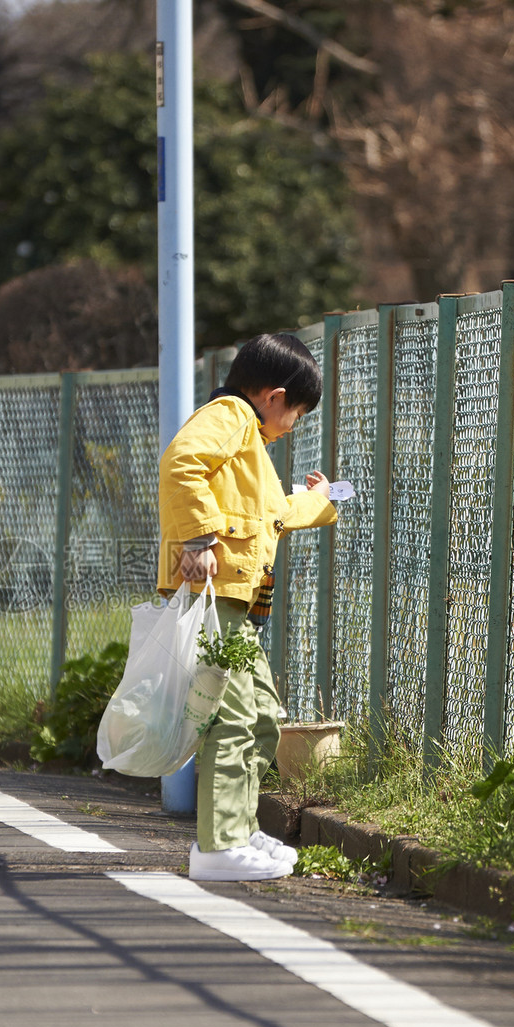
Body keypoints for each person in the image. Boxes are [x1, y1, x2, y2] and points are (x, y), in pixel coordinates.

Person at [157, 332, 337, 881]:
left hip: (236, 603)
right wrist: (199, 542)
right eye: (299, 413)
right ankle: (218, 848)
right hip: (216, 599)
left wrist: (323, 502)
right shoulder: (231, 415)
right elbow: (179, 463)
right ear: (276, 397)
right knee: (232, 716)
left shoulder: (248, 443)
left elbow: (273, 515)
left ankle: (238, 828)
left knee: (259, 715)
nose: (295, 425)